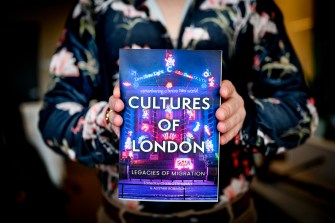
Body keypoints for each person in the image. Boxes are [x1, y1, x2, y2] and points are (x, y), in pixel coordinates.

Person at [38, 0, 319, 222]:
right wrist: (108, 122)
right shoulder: (95, 7)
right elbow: (52, 117)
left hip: (231, 217)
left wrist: (244, 120)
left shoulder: (251, 6)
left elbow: (302, 112)